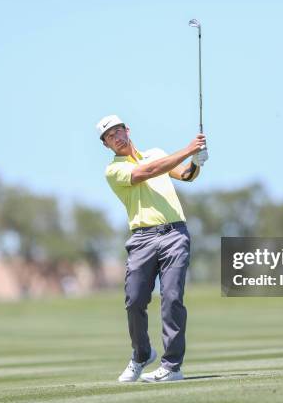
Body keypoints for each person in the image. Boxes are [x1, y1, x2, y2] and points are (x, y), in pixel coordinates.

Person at [97, 114, 208, 383]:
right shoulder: (114, 170)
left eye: (119, 130)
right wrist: (188, 150)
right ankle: (142, 354)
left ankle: (172, 366)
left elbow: (185, 175)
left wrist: (196, 161)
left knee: (171, 298)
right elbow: (147, 172)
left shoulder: (156, 154)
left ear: (127, 129)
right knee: (134, 301)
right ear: (106, 145)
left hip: (174, 235)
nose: (117, 137)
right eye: (110, 136)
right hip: (142, 239)